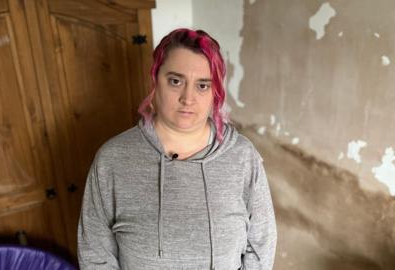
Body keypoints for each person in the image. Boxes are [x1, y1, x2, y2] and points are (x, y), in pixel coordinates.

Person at [77, 28, 277, 270]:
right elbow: (95, 254)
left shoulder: (243, 157)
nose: (188, 98)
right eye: (175, 81)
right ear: (154, 81)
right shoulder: (113, 160)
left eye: (202, 85)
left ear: (214, 92)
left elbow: (261, 245)